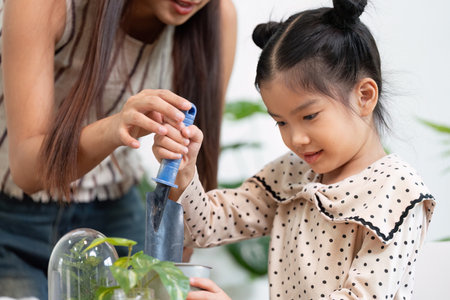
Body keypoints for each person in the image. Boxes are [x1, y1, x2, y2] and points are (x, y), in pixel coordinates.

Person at [153, 0, 436, 298]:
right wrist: (185, 171)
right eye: (281, 123)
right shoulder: (295, 172)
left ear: (364, 96)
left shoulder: (398, 192)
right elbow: (207, 226)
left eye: (309, 116)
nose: (296, 138)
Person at [0, 0, 236, 298]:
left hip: (116, 207)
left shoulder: (218, 16)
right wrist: (115, 129)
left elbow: (195, 169)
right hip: (13, 217)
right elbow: (27, 169)